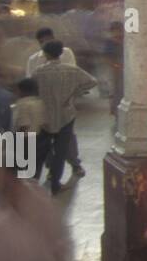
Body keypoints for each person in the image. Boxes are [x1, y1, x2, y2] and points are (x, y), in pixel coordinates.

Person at [33, 40, 98, 194]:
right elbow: (92, 81)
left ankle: (34, 183)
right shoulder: (71, 70)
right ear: (61, 53)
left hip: (44, 116)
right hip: (65, 115)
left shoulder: (38, 72)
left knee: (41, 150)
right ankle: (56, 184)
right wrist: (76, 92)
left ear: (46, 54)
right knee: (61, 150)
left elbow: (32, 89)